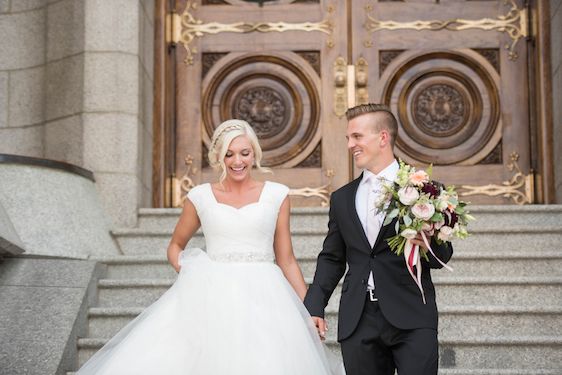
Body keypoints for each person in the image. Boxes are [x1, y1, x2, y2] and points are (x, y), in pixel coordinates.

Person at [77, 119, 343, 375]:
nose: (238, 161)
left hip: (267, 294)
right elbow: (175, 246)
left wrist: (311, 308)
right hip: (212, 295)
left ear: (254, 154)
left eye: (244, 153)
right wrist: (193, 272)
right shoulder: (200, 197)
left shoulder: (277, 195)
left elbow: (286, 260)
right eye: (229, 154)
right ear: (218, 157)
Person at [304, 104, 453, 375]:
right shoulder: (342, 198)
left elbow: (441, 257)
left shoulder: (424, 190)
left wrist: (429, 243)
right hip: (358, 319)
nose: (350, 144)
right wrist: (314, 306)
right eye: (349, 138)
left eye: (357, 137)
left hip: (411, 315)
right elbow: (332, 258)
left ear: (383, 138)